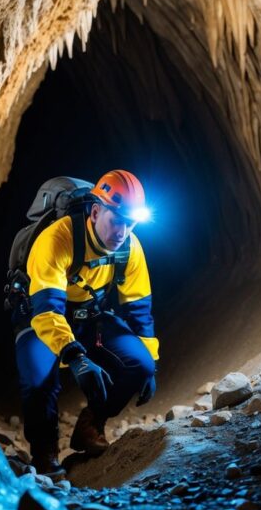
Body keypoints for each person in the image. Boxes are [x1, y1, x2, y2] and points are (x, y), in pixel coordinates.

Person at [13, 170, 159, 479]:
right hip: (40, 316)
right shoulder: (57, 239)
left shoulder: (130, 247)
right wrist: (76, 357)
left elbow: (140, 310)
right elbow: (47, 311)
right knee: (40, 381)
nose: (122, 231)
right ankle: (45, 454)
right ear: (95, 212)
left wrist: (150, 365)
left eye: (129, 223)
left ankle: (91, 425)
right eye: (116, 220)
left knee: (140, 364)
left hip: (86, 315)